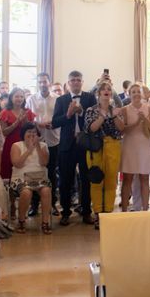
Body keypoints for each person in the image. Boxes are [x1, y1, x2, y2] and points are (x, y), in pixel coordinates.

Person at [52, 70, 96, 226]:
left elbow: (95, 120)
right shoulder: (61, 100)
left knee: (86, 180)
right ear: (68, 83)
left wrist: (82, 112)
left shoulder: (90, 98)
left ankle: (86, 212)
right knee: (65, 181)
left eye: (78, 80)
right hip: (66, 146)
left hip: (85, 145)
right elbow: (55, 122)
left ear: (82, 82)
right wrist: (69, 114)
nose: (76, 82)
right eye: (73, 80)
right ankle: (65, 212)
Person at [84, 81, 124, 228]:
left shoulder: (116, 109)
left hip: (113, 147)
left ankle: (107, 212)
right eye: (103, 89)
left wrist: (114, 116)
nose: (106, 91)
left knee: (111, 180)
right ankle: (97, 214)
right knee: (96, 180)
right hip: (96, 148)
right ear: (98, 93)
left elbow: (121, 129)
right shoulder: (91, 110)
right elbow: (91, 129)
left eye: (109, 89)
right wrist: (103, 116)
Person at [26, 73, 60, 217]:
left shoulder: (57, 99)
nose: (42, 84)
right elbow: (28, 120)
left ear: (49, 83)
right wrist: (38, 124)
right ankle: (34, 205)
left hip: (54, 139)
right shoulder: (31, 99)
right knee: (35, 172)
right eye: (40, 82)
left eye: (44, 82)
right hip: (36, 141)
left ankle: (52, 204)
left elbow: (61, 117)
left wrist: (54, 123)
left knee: (52, 173)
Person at [119, 83, 150, 212]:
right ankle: (124, 209)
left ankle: (145, 209)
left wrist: (144, 120)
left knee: (145, 178)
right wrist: (136, 123)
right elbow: (122, 130)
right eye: (133, 91)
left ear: (142, 94)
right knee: (127, 179)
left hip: (145, 145)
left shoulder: (149, 108)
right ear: (129, 94)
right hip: (130, 145)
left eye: (138, 91)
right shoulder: (125, 110)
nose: (136, 94)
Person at [10, 123, 52, 234]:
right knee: (26, 192)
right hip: (21, 177)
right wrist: (29, 149)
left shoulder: (43, 145)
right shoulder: (16, 145)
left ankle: (45, 222)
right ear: (23, 133)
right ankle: (22, 220)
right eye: (29, 132)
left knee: (46, 190)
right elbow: (17, 164)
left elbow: (44, 162)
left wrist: (37, 146)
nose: (32, 134)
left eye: (34, 132)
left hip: (40, 177)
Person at [0, 88, 36, 183]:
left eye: (21, 96)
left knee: (25, 169)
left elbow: (32, 130)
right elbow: (4, 132)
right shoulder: (5, 112)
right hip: (10, 144)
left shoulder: (28, 112)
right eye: (16, 96)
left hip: (25, 143)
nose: (19, 99)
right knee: (9, 172)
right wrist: (16, 122)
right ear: (11, 98)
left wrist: (25, 121)